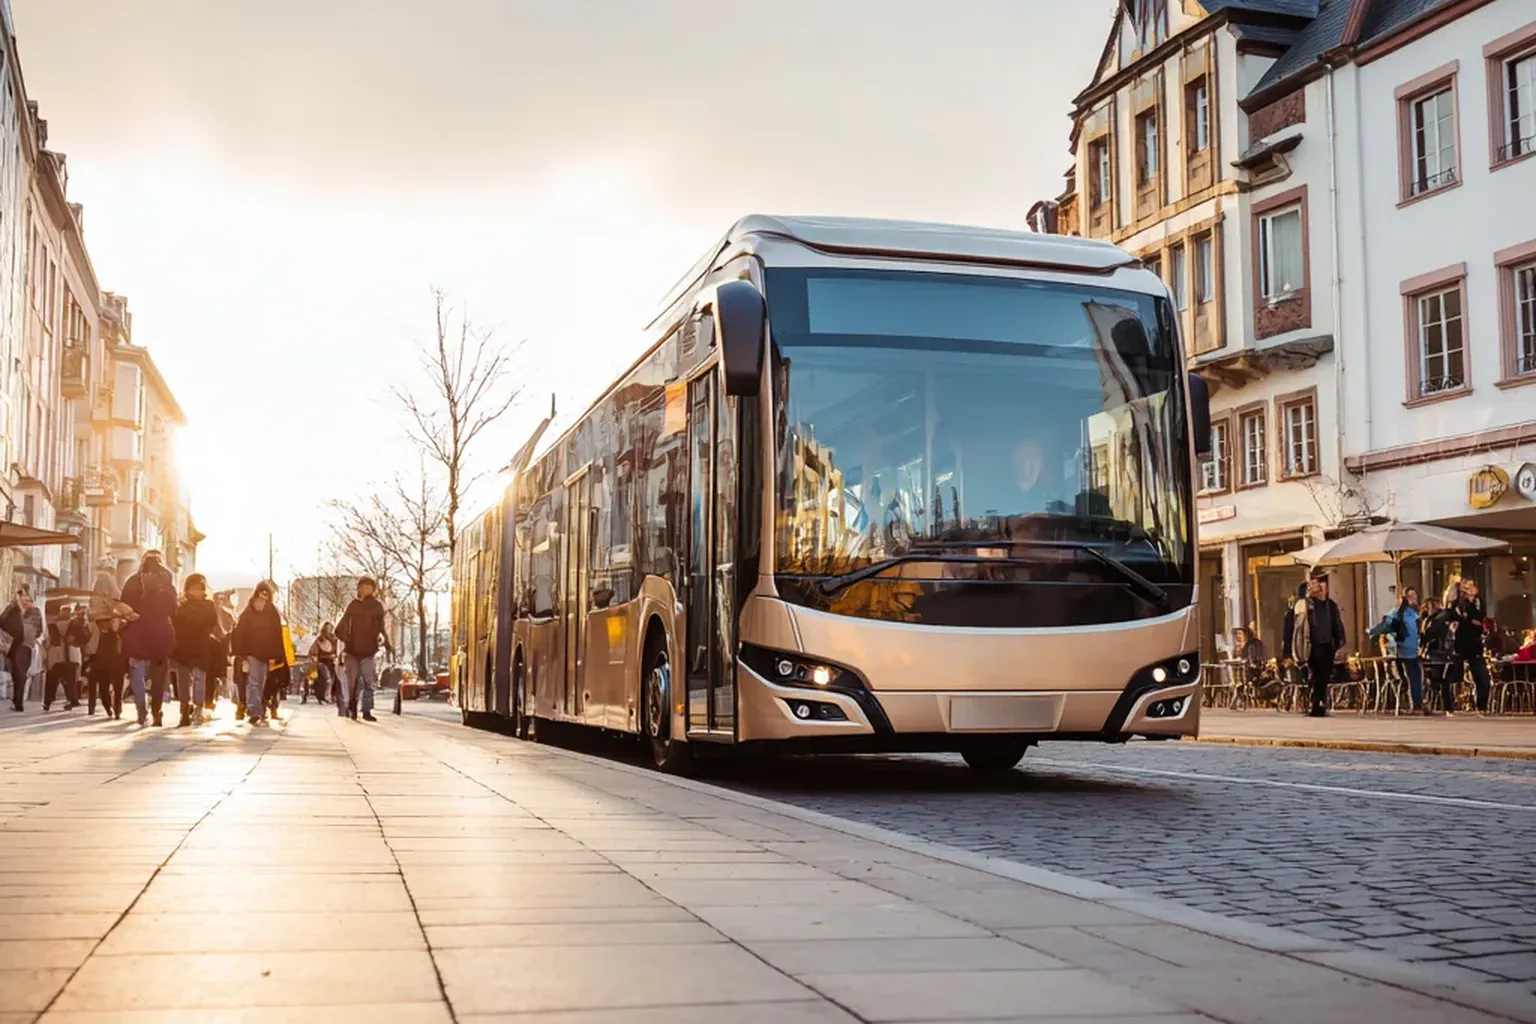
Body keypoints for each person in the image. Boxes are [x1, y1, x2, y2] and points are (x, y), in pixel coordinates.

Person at [121, 551, 178, 726]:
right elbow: (173, 609)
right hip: (160, 635)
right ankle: (157, 711)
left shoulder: (133, 581)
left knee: (137, 673)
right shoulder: (167, 583)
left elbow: (124, 605)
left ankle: (141, 710)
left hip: (137, 634)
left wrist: (132, 616)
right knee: (159, 677)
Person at [1283, 572, 1346, 718]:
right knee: (1315, 675)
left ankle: (1318, 704)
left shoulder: (1330, 605)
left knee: (1324, 676)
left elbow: (1337, 624)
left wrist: (1339, 642)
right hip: (1311, 645)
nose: (1317, 587)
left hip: (1328, 645)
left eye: (1320, 584)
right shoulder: (1306, 605)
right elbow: (1295, 625)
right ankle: (1315, 704)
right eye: (1315, 585)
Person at [335, 577, 392, 722]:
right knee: (352, 682)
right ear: (359, 589)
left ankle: (367, 710)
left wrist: (385, 643)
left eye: (369, 587)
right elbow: (340, 628)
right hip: (352, 651)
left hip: (369, 650)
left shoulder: (377, 607)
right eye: (363, 586)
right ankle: (352, 707)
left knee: (368, 681)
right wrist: (347, 639)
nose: (366, 589)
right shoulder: (353, 606)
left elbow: (382, 628)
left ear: (374, 590)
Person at [231, 582, 285, 728]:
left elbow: (277, 634)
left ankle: (258, 709)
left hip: (266, 654)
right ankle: (254, 711)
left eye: (266, 594)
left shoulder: (271, 612)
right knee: (254, 681)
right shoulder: (249, 611)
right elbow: (240, 631)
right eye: (262, 593)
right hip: (252, 653)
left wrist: (278, 654)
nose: (263, 597)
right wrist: (239, 651)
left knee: (260, 682)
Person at [171, 574, 222, 727]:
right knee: (184, 679)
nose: (197, 592)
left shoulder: (208, 605)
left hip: (201, 646)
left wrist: (201, 630)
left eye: (200, 589)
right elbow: (174, 623)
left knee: (200, 678)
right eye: (194, 589)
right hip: (183, 646)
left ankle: (198, 708)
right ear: (187, 589)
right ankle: (185, 708)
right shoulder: (180, 604)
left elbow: (212, 623)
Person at [87, 558, 130, 719]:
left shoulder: (93, 601)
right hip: (114, 648)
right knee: (117, 680)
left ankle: (108, 706)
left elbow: (91, 620)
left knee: (103, 682)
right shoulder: (115, 599)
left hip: (98, 649)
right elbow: (125, 615)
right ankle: (116, 707)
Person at [1446, 577, 1491, 715]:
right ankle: (1449, 705)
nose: (1471, 590)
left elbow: (1479, 619)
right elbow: (1458, 620)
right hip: (1459, 646)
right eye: (1467, 588)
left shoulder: (1478, 603)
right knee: (1454, 675)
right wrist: (1469, 622)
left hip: (1475, 646)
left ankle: (1482, 707)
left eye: (1472, 587)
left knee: (1482, 677)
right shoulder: (1455, 605)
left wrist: (1473, 622)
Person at [2, 585, 43, 711]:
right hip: (27, 645)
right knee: (21, 673)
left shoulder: (13, 608)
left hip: (16, 645)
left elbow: (2, 621)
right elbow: (40, 630)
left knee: (18, 674)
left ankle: (18, 702)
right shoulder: (35, 610)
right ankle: (17, 701)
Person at [44, 605, 82, 711]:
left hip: (56, 656)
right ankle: (70, 699)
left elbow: (46, 640)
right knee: (69, 680)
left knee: (53, 680)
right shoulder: (76, 624)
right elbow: (83, 638)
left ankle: (48, 701)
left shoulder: (51, 625)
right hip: (68, 656)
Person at [309, 622, 339, 704]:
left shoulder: (333, 640)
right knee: (326, 679)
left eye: (330, 628)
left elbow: (336, 650)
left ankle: (330, 695)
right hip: (322, 661)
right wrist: (315, 658)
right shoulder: (319, 640)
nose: (329, 630)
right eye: (327, 628)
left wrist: (335, 656)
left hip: (331, 662)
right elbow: (314, 651)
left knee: (333, 679)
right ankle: (324, 696)